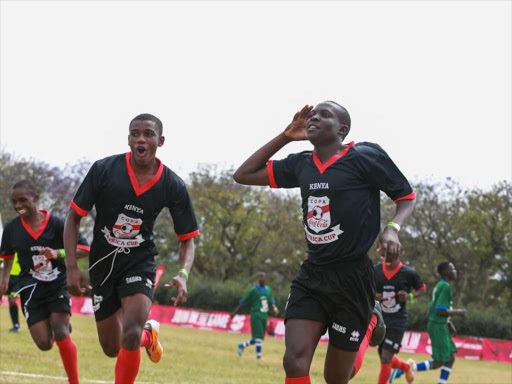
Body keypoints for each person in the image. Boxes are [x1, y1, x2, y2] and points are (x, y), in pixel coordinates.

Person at [233, 102, 416, 384]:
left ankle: (368, 323)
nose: (315, 117)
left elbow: (406, 196)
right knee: (293, 362)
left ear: (342, 130)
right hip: (313, 275)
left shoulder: (365, 156)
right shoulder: (300, 164)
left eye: (325, 114)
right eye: (312, 114)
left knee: (337, 378)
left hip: (353, 279)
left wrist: (392, 229)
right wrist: (285, 136)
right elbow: (243, 174)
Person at [64, 113, 200, 384]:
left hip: (139, 261)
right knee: (112, 348)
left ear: (160, 141)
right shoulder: (104, 169)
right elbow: (73, 217)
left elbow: (187, 238)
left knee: (130, 333)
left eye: (148, 134)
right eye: (135, 133)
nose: (141, 138)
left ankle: (140, 333)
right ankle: (149, 336)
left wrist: (183, 274)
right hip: (102, 264)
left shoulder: (171, 184)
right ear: (128, 139)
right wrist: (71, 268)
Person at [0, 180, 90, 384]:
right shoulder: (12, 228)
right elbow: (7, 256)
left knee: (60, 331)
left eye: (23, 200)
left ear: (36, 199)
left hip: (57, 284)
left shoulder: (58, 224)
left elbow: (85, 249)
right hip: (30, 289)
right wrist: (3, 282)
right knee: (44, 344)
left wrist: (58, 252)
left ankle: (73, 381)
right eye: (14, 201)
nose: (17, 205)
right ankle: (61, 330)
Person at [399, 262, 466, 384]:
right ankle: (405, 368)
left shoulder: (440, 286)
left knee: (450, 358)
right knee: (438, 362)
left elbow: (430, 310)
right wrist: (458, 312)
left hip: (440, 325)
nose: (455, 271)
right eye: (453, 269)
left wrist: (448, 323)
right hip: (438, 326)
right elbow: (439, 310)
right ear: (446, 272)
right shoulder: (445, 287)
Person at [374, 255, 426, 384]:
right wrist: (373, 295)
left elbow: (422, 289)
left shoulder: (408, 272)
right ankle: (407, 367)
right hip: (381, 320)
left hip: (398, 321)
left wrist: (410, 296)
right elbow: (367, 288)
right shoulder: (375, 270)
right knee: (384, 357)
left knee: (386, 358)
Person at [230, 271, 279, 359]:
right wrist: (234, 312)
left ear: (265, 278)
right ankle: (259, 357)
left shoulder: (268, 290)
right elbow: (243, 302)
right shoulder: (253, 290)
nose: (261, 278)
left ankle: (242, 345)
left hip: (264, 315)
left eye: (262, 276)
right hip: (256, 315)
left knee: (258, 338)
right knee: (258, 338)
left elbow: (271, 302)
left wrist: (275, 309)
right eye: (259, 277)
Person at [2, 253, 22, 333]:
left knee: (13, 300)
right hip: (8, 278)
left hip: (18, 277)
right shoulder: (7, 249)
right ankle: (16, 325)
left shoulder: (20, 248)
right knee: (10, 302)